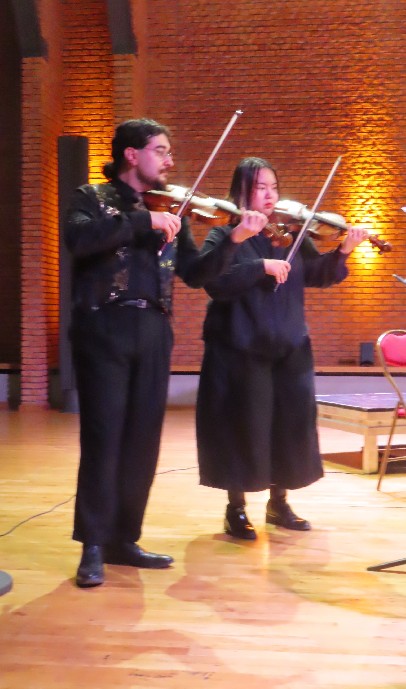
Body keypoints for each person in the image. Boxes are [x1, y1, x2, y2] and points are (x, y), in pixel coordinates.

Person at [64, 119, 268, 587]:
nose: (170, 161)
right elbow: (79, 241)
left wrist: (234, 241)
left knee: (143, 441)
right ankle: (92, 545)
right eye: (161, 150)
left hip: (154, 330)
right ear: (131, 154)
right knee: (103, 438)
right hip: (103, 328)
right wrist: (143, 221)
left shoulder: (173, 208)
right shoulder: (91, 197)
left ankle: (124, 539)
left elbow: (196, 273)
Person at [196, 156, 369, 540]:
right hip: (241, 348)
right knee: (244, 427)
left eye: (273, 186)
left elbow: (317, 275)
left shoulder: (291, 235)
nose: (270, 194)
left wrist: (343, 251)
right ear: (242, 191)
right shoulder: (225, 235)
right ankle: (236, 509)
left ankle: (279, 503)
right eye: (260, 187)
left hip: (288, 346)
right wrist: (261, 267)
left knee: (288, 427)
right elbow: (215, 281)